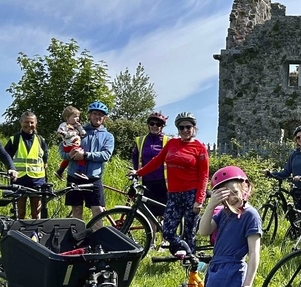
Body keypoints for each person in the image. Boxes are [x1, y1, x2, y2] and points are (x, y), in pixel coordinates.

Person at [129, 112, 208, 256]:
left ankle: (190, 265)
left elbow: (204, 175)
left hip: (191, 193)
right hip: (173, 193)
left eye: (188, 127)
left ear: (193, 128)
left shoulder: (200, 148)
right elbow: (156, 161)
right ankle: (187, 252)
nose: (184, 130)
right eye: (181, 127)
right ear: (177, 129)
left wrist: (199, 200)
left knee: (189, 232)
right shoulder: (172, 143)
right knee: (168, 231)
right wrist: (138, 172)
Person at [61, 101, 114, 220]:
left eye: (101, 114)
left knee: (98, 210)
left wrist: (85, 155)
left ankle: (98, 238)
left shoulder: (108, 136)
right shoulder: (76, 130)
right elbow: (62, 150)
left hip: (94, 178)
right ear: (90, 115)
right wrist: (70, 155)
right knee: (76, 209)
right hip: (74, 176)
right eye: (95, 113)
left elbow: (106, 155)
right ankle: (78, 237)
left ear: (104, 117)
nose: (97, 117)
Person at [265, 125, 301, 214]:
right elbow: (286, 172)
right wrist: (270, 173)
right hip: (297, 191)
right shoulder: (294, 154)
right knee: (298, 219)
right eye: (298, 137)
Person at [4, 111, 49, 219]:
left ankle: (36, 235)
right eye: (26, 122)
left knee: (36, 214)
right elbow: (5, 157)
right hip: (19, 180)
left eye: (32, 122)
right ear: (21, 122)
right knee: (20, 213)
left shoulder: (41, 140)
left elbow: (45, 160)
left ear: (36, 123)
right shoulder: (14, 139)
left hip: (37, 181)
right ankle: (19, 234)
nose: (29, 125)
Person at [131, 111, 170, 215]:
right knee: (149, 212)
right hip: (147, 181)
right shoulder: (141, 140)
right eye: (152, 123)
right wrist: (136, 171)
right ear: (148, 125)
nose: (155, 126)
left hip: (164, 182)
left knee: (165, 212)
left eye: (158, 124)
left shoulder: (168, 141)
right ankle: (151, 232)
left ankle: (164, 231)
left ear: (162, 127)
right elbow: (135, 157)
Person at [56, 106, 86, 179]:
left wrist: (79, 127)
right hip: (69, 145)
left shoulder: (76, 126)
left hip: (74, 145)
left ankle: (60, 171)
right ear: (67, 118)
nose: (77, 119)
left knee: (67, 160)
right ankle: (79, 171)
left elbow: (83, 133)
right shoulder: (64, 125)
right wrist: (73, 132)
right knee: (82, 155)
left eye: (78, 117)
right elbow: (61, 133)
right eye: (75, 117)